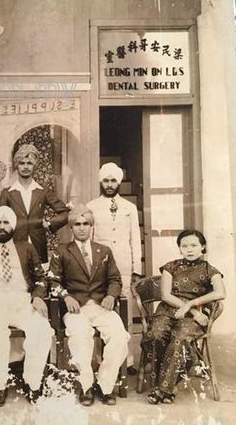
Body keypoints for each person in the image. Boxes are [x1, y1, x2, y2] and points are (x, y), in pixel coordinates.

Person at [0, 206, 53, 407]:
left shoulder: (26, 248)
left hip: (23, 300)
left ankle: (32, 383)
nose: (2, 227)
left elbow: (41, 278)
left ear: (13, 226)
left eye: (6, 222)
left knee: (41, 330)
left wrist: (38, 296)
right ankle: (0, 384)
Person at [48, 205, 129, 407]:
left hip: (101, 306)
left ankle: (105, 385)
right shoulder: (61, 251)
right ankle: (85, 386)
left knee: (119, 336)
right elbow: (53, 281)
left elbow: (115, 279)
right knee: (81, 338)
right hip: (76, 308)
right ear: (71, 227)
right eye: (77, 224)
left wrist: (111, 295)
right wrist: (66, 296)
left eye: (85, 224)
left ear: (91, 226)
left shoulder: (104, 251)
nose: (82, 228)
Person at [145, 230, 225, 405]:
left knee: (179, 339)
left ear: (202, 247)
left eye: (194, 245)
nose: (189, 249)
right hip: (168, 310)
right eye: (184, 246)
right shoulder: (170, 267)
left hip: (192, 319)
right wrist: (191, 309)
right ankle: (170, 384)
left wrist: (191, 305)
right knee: (155, 335)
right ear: (180, 249)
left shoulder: (209, 269)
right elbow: (166, 296)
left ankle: (163, 389)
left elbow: (221, 292)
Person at [87, 162, 142, 374]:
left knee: (125, 308)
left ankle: (125, 361)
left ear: (118, 183)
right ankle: (100, 359)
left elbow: (135, 239)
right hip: (100, 267)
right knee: (101, 308)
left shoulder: (129, 208)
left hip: (124, 264)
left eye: (113, 181)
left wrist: (136, 268)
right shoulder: (92, 206)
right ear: (101, 182)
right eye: (106, 181)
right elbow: (89, 239)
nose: (110, 185)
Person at [0, 144, 69, 264]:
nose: (26, 167)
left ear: (34, 165)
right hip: (14, 247)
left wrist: (49, 223)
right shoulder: (7, 193)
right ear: (16, 165)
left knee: (39, 280)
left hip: (38, 247)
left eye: (29, 163)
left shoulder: (42, 191)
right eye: (22, 163)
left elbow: (65, 213)